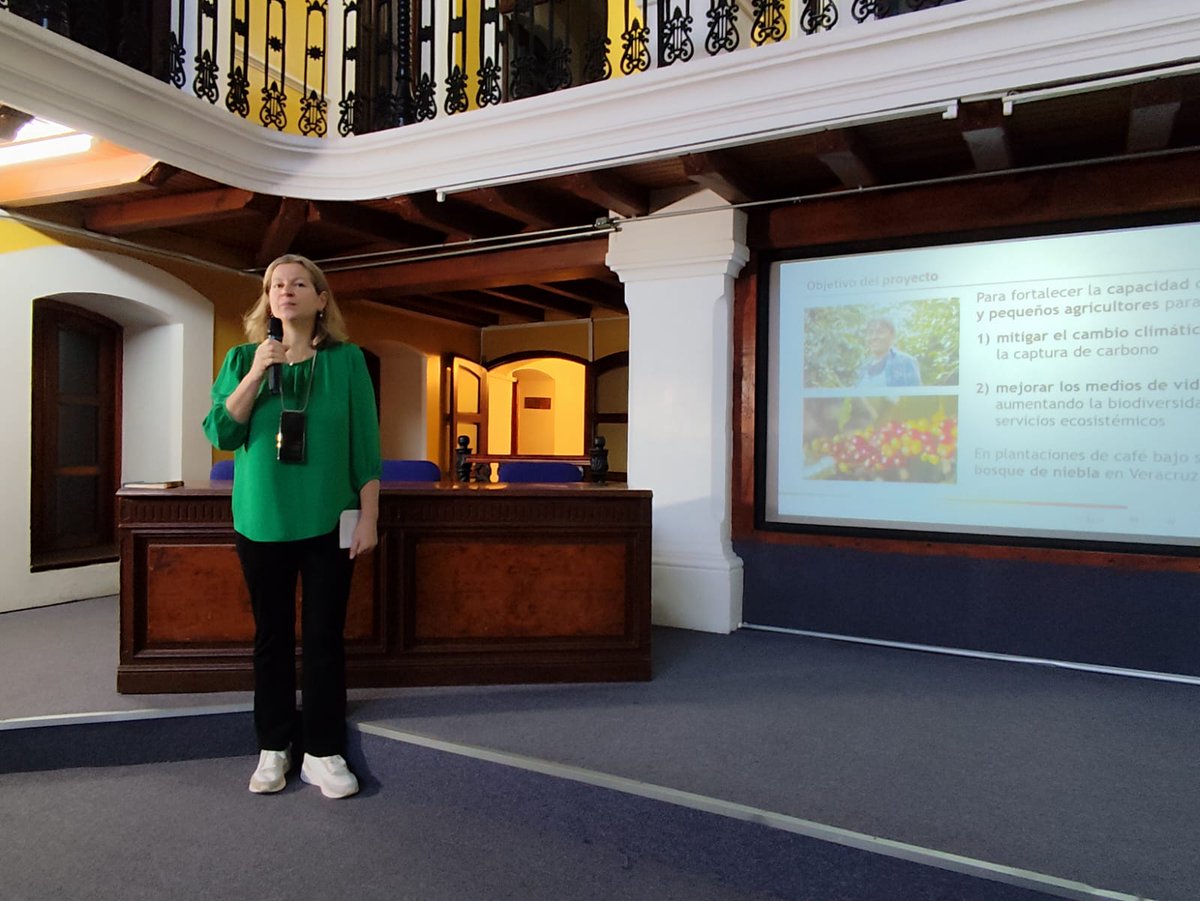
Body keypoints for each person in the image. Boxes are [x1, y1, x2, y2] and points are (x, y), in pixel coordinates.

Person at [202, 254, 381, 799]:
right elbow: (220, 432)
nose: (287, 291)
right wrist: (258, 370)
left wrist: (370, 516)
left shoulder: (348, 362)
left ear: (321, 299)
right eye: (277, 284)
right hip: (261, 519)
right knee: (272, 637)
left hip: (329, 520)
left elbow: (365, 446)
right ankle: (275, 746)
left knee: (325, 638)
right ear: (267, 299)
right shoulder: (240, 359)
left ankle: (323, 752)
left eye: (300, 283)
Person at [856, 316, 921, 387]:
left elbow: (915, 395)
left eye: (880, 332)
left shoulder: (906, 362)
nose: (873, 337)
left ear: (892, 336)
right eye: (870, 332)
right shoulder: (864, 367)